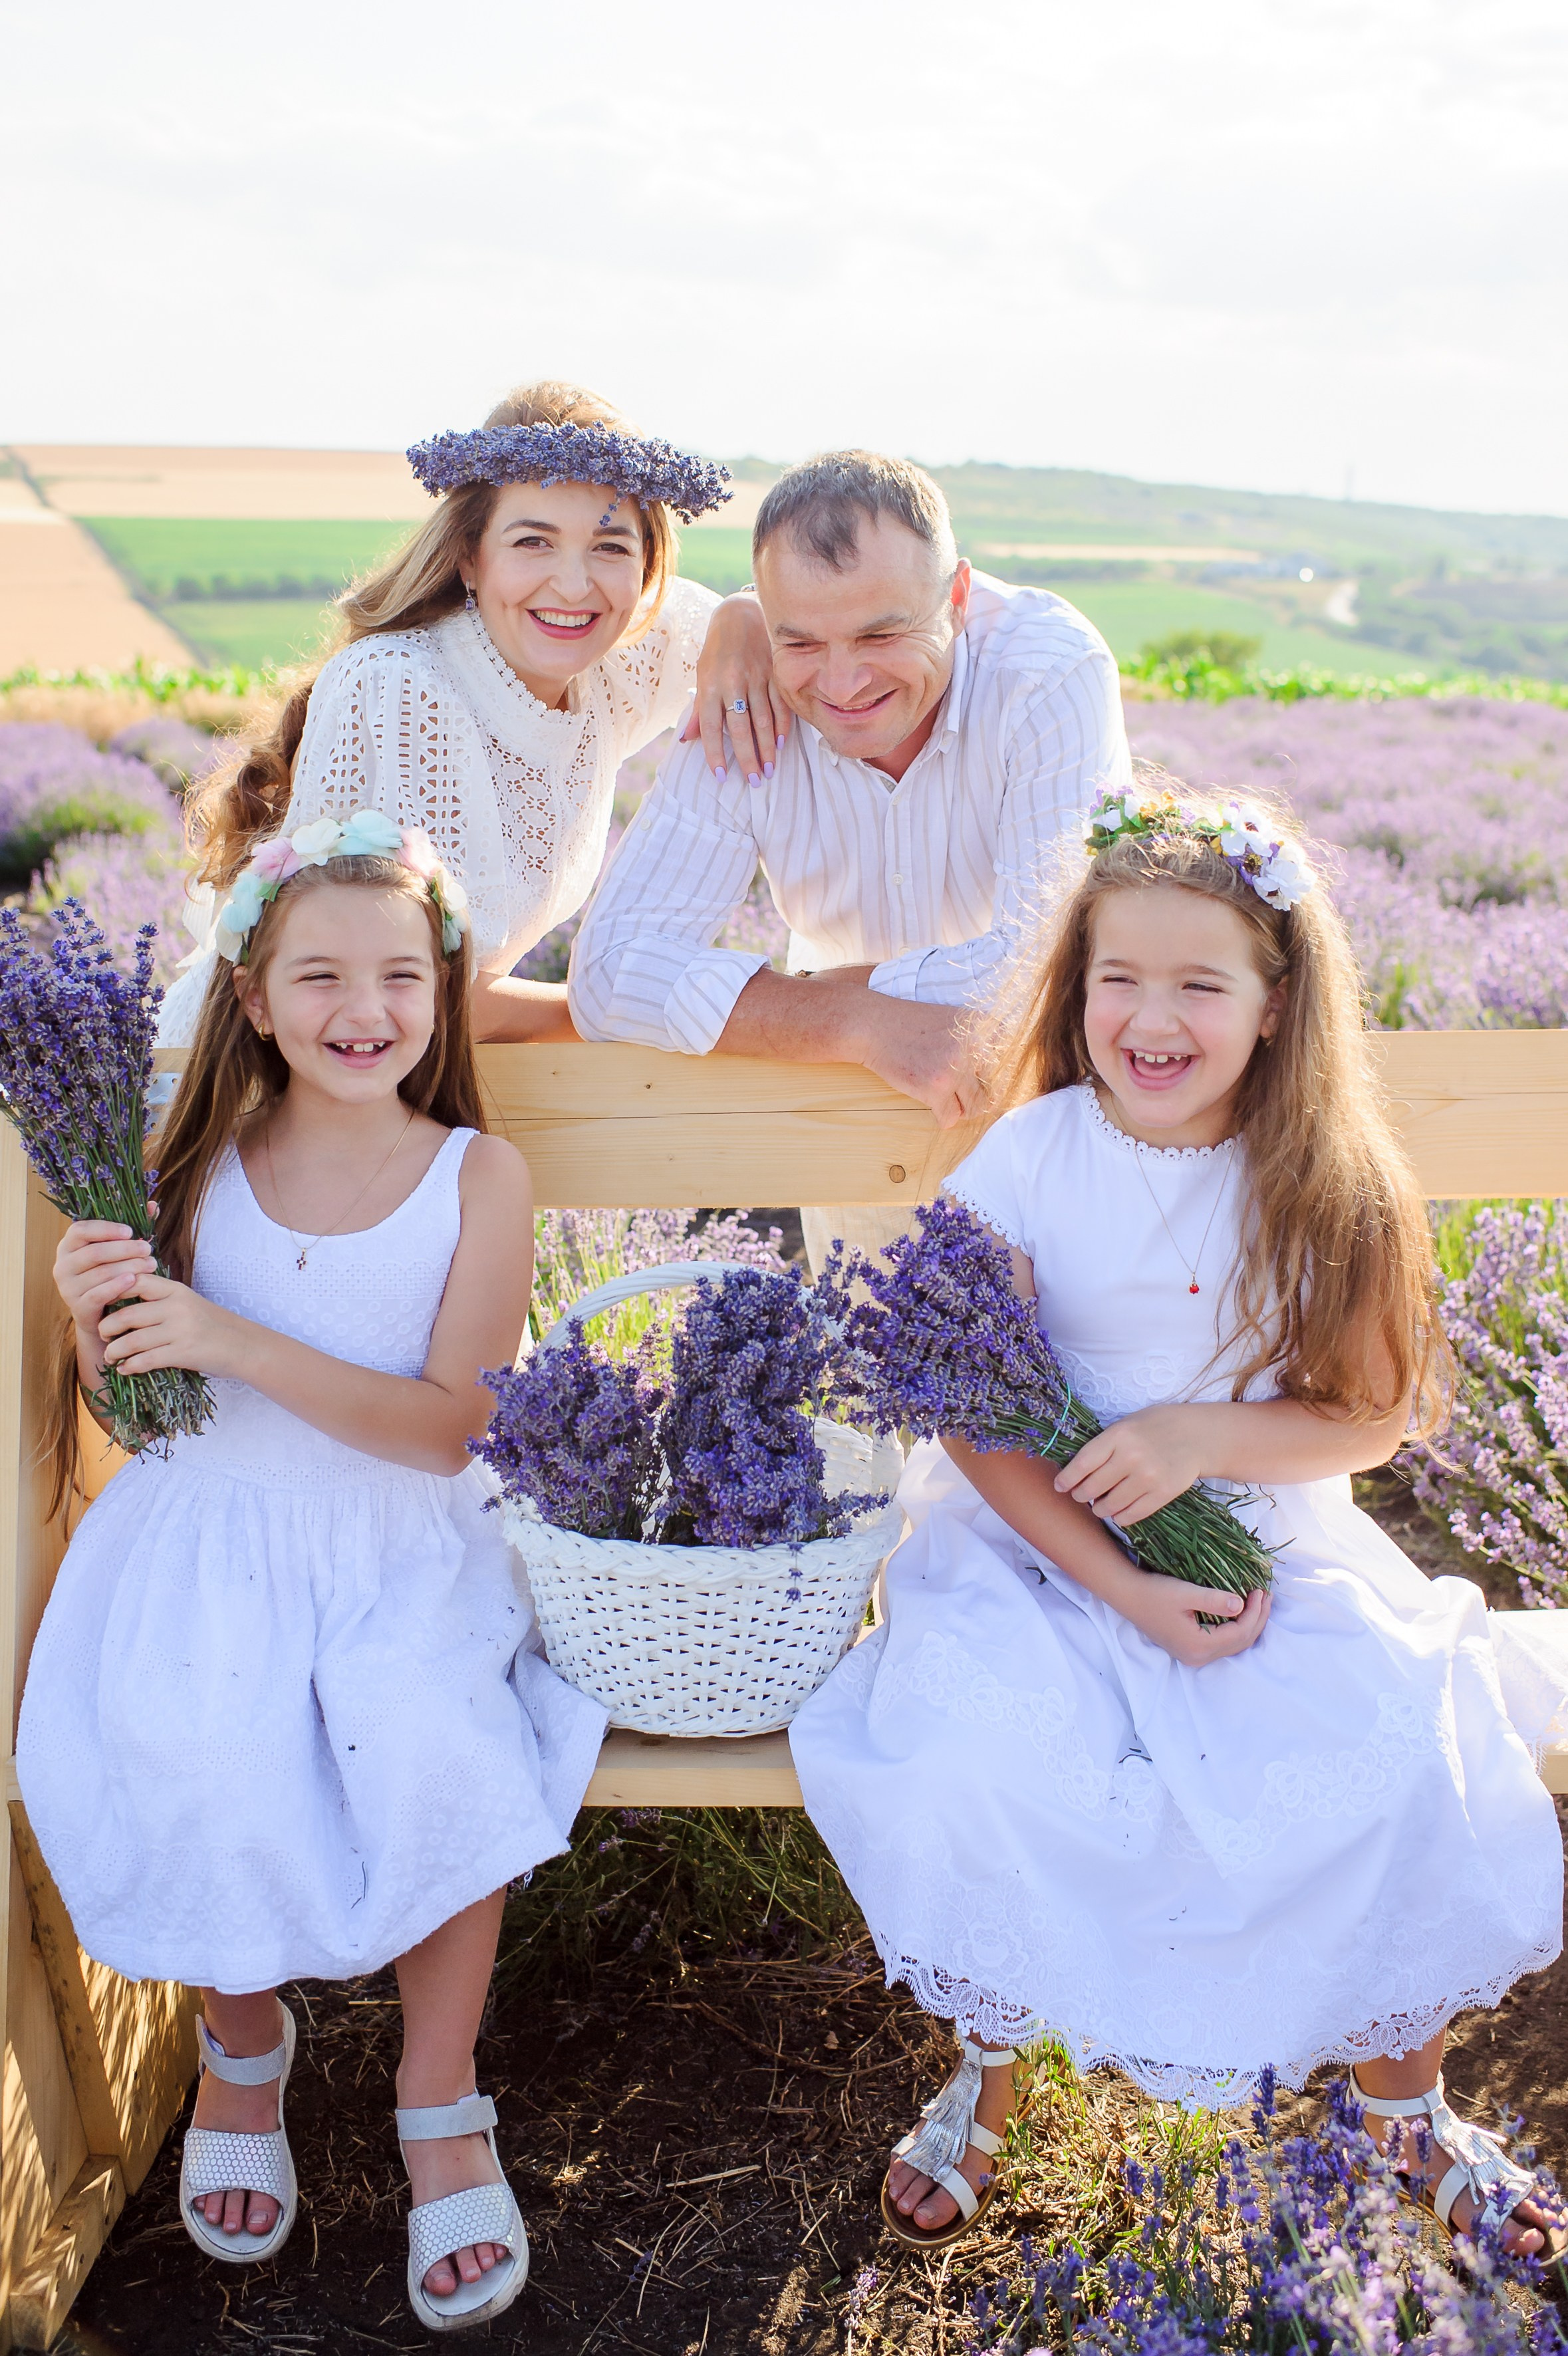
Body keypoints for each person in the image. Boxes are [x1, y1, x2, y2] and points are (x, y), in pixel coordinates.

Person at [789, 779, 1568, 2258]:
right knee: (980, 1755)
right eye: (1118, 979)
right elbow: (977, 1413)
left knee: (1395, 1745)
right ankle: (989, 2065)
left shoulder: (1323, 1174)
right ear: (1076, 988)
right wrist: (1123, 1584)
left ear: (1274, 1006)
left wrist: (1197, 1436)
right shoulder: (1029, 1158)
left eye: (1200, 984)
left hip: (1266, 1537)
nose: (1152, 1018)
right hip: (1032, 1551)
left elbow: (1379, 1412)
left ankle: (1406, 2099)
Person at [18, 815, 607, 2329]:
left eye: (400, 974)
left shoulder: (475, 1175)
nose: (365, 1007)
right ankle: (240, 2039)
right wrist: (98, 1325)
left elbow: (451, 1427)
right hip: (212, 1538)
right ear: (254, 996)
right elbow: (140, 1409)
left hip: (401, 1542)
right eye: (320, 975)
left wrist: (232, 1337)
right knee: (205, 1732)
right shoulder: (193, 1165)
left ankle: (438, 2091)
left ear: (442, 990)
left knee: (430, 1737)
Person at [568, 449, 1131, 1261]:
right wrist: (856, 1025)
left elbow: (1048, 962)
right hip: (847, 1123)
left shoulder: (1047, 672)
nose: (842, 681)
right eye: (800, 641)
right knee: (862, 1342)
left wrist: (812, 999)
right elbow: (607, 974)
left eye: (881, 633)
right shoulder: (748, 694)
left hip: (1052, 1119)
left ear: (957, 599)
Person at [160, 379, 780, 1048]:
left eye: (610, 547)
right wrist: (630, 1010)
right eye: (533, 542)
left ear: (647, 566)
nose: (575, 584)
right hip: (255, 1073)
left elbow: (800, 632)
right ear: (470, 559)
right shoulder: (405, 687)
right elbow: (427, 993)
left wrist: (743, 613)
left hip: (399, 1072)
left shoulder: (614, 663)